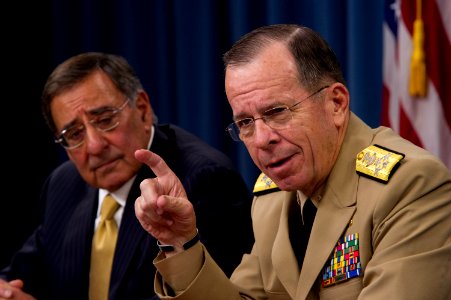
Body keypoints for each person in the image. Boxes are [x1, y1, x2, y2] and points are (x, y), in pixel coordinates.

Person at [133, 24, 451, 299]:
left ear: (336, 104)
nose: (261, 139)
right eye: (244, 122)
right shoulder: (271, 201)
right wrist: (180, 244)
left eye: (276, 112)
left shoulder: (410, 185)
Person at [0, 52, 254, 300]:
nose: (94, 146)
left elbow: (196, 295)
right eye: (75, 134)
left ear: (142, 109)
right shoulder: (63, 184)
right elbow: (22, 276)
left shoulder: (203, 180)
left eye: (105, 120)